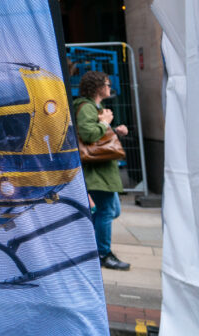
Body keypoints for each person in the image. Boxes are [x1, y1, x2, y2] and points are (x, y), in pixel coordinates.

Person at [74, 70, 131, 272]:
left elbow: (100, 137)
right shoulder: (87, 107)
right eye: (107, 84)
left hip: (103, 170)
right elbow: (89, 134)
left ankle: (92, 249)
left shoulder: (96, 107)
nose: (109, 87)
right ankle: (102, 254)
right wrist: (106, 122)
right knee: (106, 211)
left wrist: (115, 130)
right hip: (96, 172)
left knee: (112, 210)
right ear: (97, 86)